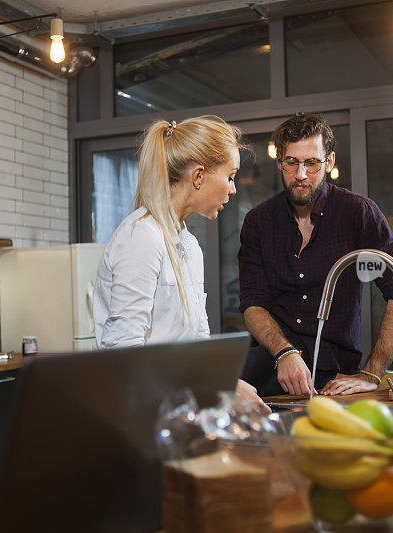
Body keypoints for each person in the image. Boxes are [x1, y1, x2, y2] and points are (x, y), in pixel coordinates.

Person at [93, 115, 270, 414]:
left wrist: (223, 383)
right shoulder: (141, 237)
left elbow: (197, 341)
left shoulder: (190, 247)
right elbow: (122, 354)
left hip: (176, 411)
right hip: (137, 414)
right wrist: (223, 385)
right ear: (199, 176)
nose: (233, 188)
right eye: (230, 176)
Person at [238, 112, 393, 397]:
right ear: (279, 163)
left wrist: (372, 373)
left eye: (311, 163)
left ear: (329, 162)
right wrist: (285, 353)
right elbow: (253, 303)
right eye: (291, 163)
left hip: (335, 374)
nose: (300, 175)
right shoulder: (258, 222)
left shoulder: (358, 213)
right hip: (275, 364)